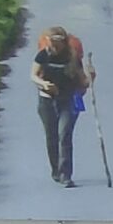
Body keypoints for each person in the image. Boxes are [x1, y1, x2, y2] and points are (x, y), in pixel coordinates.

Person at [33, 26, 94, 186]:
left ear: (64, 42)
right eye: (51, 42)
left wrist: (91, 77)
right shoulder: (43, 55)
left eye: (56, 42)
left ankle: (66, 175)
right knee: (52, 136)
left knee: (64, 135)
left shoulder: (72, 58)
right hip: (46, 100)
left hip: (68, 100)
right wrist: (43, 83)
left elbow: (83, 82)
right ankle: (56, 171)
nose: (53, 46)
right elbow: (33, 75)